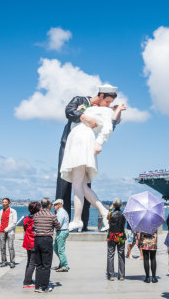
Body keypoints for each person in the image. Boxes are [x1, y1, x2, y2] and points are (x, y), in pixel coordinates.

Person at [56, 85, 121, 231]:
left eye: (112, 103)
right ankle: (104, 214)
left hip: (81, 140)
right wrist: (83, 114)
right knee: (81, 185)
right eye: (108, 101)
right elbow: (69, 111)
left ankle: (78, 220)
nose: (109, 105)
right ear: (101, 96)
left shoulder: (105, 110)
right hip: (74, 142)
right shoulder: (84, 102)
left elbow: (110, 126)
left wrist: (99, 142)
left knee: (77, 184)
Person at [32, 198, 61, 293]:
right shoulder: (52, 215)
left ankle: (37, 286)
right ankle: (44, 287)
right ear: (49, 205)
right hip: (46, 240)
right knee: (46, 264)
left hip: (37, 240)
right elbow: (58, 226)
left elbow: (33, 227)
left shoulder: (36, 215)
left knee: (38, 264)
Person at [106, 198, 126, 280]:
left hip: (112, 235)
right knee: (121, 255)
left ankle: (111, 275)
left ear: (114, 205)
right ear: (120, 205)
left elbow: (108, 218)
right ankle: (121, 275)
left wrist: (110, 208)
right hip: (121, 235)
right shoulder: (123, 214)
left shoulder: (111, 214)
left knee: (110, 255)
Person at [0, 198, 17, 268]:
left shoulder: (13, 211)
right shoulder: (0, 211)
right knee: (2, 247)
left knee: (11, 247)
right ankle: (4, 261)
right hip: (1, 231)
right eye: (3, 202)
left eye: (5, 202)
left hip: (10, 232)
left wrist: (7, 229)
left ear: (8, 203)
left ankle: (12, 262)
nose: (4, 203)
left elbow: (14, 222)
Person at [22, 201, 37, 288]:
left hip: (27, 241)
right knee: (32, 263)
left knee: (29, 262)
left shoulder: (27, 218)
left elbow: (25, 228)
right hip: (33, 242)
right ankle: (27, 282)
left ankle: (27, 279)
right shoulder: (36, 219)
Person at [53, 199, 70, 272]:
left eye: (55, 205)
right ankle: (62, 263)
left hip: (61, 231)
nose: (54, 206)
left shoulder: (61, 212)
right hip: (61, 231)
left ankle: (64, 266)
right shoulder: (60, 212)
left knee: (60, 250)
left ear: (59, 205)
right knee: (56, 248)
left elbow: (58, 224)